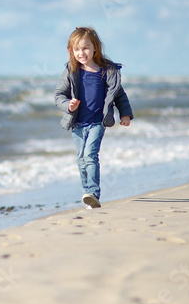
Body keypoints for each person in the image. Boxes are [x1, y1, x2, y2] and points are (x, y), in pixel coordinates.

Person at [53, 27, 133, 209]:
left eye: (86, 48)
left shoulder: (106, 72)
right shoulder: (71, 71)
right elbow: (59, 95)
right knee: (81, 159)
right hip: (77, 124)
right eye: (77, 49)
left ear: (95, 47)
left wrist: (125, 113)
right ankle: (88, 194)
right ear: (71, 51)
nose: (81, 53)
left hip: (98, 121)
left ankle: (94, 193)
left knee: (90, 155)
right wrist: (68, 105)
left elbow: (119, 94)